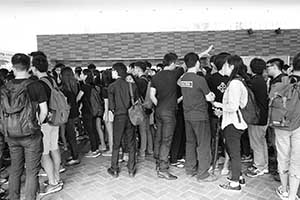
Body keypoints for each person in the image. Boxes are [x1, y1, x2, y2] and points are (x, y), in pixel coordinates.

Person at [4, 53, 47, 200]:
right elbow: (44, 111)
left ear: (13, 67)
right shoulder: (35, 85)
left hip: (11, 134)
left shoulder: (5, 87)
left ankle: (13, 197)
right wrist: (37, 124)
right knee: (31, 171)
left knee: (15, 169)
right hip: (30, 134)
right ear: (29, 67)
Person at [178, 52, 217, 182]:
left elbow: (180, 81)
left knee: (190, 142)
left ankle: (190, 169)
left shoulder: (183, 79)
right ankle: (203, 174)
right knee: (203, 144)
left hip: (187, 116)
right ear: (197, 63)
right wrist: (212, 96)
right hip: (200, 116)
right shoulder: (200, 80)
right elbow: (208, 97)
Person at [213, 55, 248, 192]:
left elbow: (233, 107)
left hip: (233, 123)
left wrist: (219, 105)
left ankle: (234, 184)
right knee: (234, 152)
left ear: (232, 67)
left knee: (234, 153)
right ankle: (238, 177)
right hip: (235, 122)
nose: (224, 68)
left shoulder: (234, 83)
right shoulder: (239, 81)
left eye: (226, 65)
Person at [268, 54, 300, 200]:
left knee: (283, 156)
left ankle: (285, 190)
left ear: (293, 65)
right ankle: (293, 195)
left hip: (281, 125)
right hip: (298, 126)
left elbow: (270, 100)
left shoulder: (281, 81)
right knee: (296, 159)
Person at [31, 55, 64, 195]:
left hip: (45, 122)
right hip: (55, 119)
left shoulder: (39, 84)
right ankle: (56, 178)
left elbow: (42, 108)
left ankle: (52, 183)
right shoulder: (52, 80)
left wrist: (38, 122)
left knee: (44, 153)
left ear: (34, 68)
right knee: (54, 148)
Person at [150, 53, 185, 180]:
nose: (176, 66)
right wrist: (202, 53)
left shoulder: (155, 77)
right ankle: (163, 169)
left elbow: (152, 96)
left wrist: (160, 106)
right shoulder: (174, 73)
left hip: (158, 111)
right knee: (166, 140)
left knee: (159, 137)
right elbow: (189, 62)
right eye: (175, 64)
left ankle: (158, 163)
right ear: (172, 63)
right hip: (169, 113)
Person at [107, 63, 137, 178]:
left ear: (116, 72)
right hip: (130, 116)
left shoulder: (112, 86)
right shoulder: (132, 86)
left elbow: (111, 106)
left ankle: (114, 168)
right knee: (131, 142)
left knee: (116, 143)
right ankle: (131, 169)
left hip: (119, 117)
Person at [246, 58, 269, 178]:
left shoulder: (255, 81)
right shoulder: (261, 80)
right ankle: (264, 166)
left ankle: (259, 166)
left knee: (256, 144)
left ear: (251, 68)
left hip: (257, 118)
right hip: (263, 116)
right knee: (261, 141)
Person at [61, 67, 81, 166]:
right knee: (72, 135)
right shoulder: (75, 85)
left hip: (68, 115)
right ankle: (74, 154)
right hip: (74, 113)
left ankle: (75, 157)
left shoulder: (64, 89)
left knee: (71, 136)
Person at [79, 69, 101, 158]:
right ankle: (96, 148)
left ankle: (93, 150)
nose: (80, 75)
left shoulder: (84, 87)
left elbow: (78, 98)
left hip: (87, 111)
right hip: (93, 111)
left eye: (81, 74)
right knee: (94, 130)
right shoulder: (93, 86)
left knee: (90, 131)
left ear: (85, 76)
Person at [133, 61, 153, 158]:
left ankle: (142, 152)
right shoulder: (147, 79)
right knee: (147, 129)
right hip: (148, 107)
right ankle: (150, 149)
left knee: (142, 130)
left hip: (142, 108)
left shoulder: (140, 81)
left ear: (138, 69)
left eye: (134, 68)